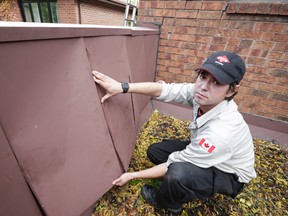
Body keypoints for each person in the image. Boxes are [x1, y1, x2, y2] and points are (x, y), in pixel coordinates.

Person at [92, 51, 256, 215]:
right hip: (205, 151)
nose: (203, 86)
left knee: (177, 173)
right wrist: (122, 87)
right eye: (203, 76)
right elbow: (164, 90)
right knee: (155, 151)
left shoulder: (222, 132)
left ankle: (168, 204)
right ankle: (181, 183)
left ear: (231, 91)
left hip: (228, 173)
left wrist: (133, 175)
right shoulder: (201, 93)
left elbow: (173, 163)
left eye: (216, 82)